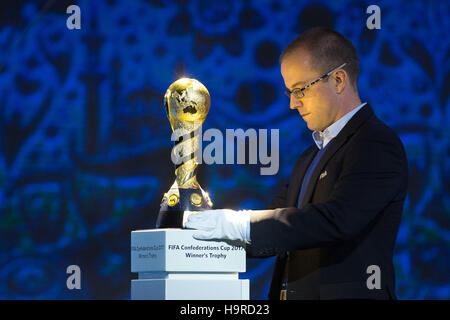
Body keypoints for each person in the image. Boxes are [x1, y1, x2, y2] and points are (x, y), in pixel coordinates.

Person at [184, 27, 408, 300]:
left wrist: (240, 224)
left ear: (338, 80)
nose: (292, 103)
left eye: (300, 89)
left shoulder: (374, 143)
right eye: (290, 92)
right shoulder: (310, 157)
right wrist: (199, 236)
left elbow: (337, 221)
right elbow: (282, 225)